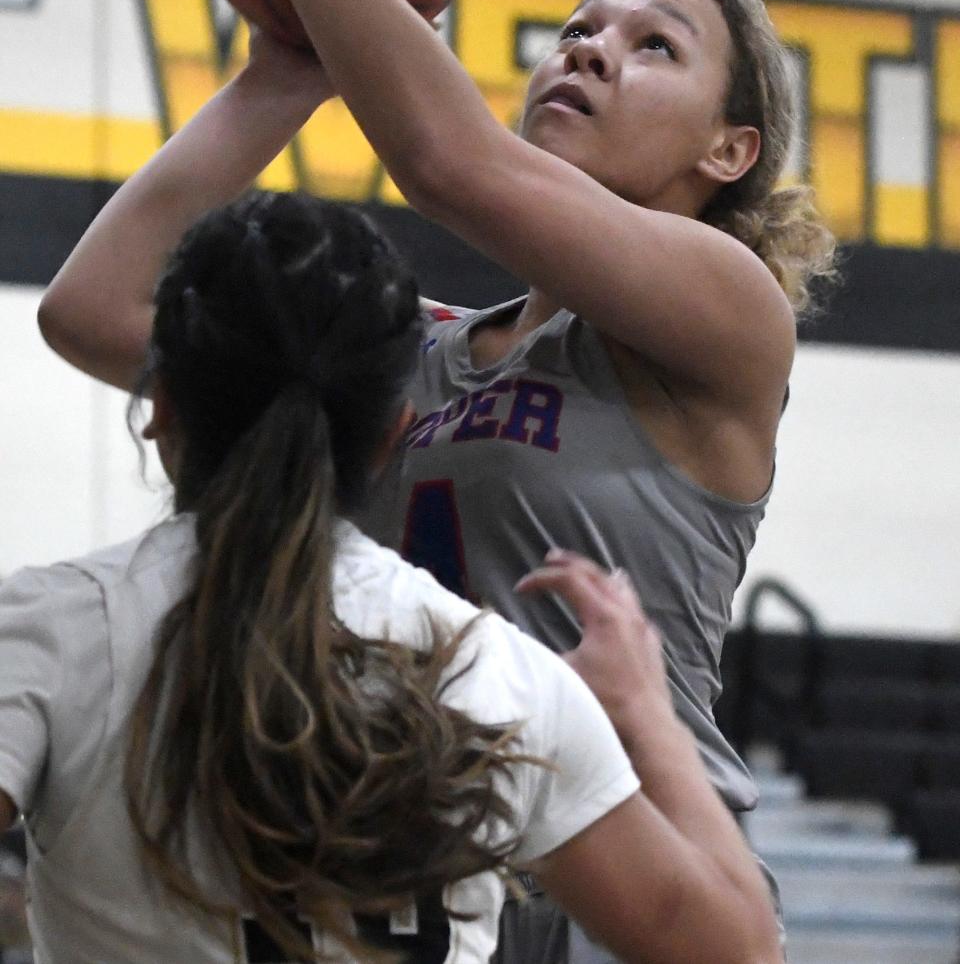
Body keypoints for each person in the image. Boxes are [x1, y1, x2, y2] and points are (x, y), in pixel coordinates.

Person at [35, 0, 832, 958]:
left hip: (623, 881)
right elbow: (95, 311)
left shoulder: (729, 311)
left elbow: (454, 162)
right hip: (402, 875)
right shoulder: (413, 350)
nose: (588, 47)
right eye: (579, 27)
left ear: (729, 153)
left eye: (651, 46)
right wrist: (279, 73)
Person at [4, 191, 780, 963]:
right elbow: (737, 952)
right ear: (394, 436)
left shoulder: (56, 625)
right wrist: (649, 718)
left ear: (159, 407)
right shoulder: (501, 675)